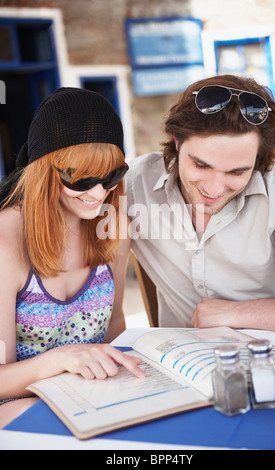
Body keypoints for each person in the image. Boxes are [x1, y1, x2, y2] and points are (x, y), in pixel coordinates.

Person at [0, 87, 144, 428]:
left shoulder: (114, 228)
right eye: (82, 179)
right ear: (45, 170)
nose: (98, 193)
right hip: (19, 408)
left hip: (91, 401)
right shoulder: (6, 241)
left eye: (111, 176)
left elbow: (113, 328)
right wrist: (62, 359)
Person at [126, 74, 275, 332]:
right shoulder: (133, 184)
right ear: (177, 141)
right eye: (200, 165)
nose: (214, 188)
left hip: (274, 362)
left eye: (237, 172)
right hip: (178, 363)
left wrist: (237, 314)